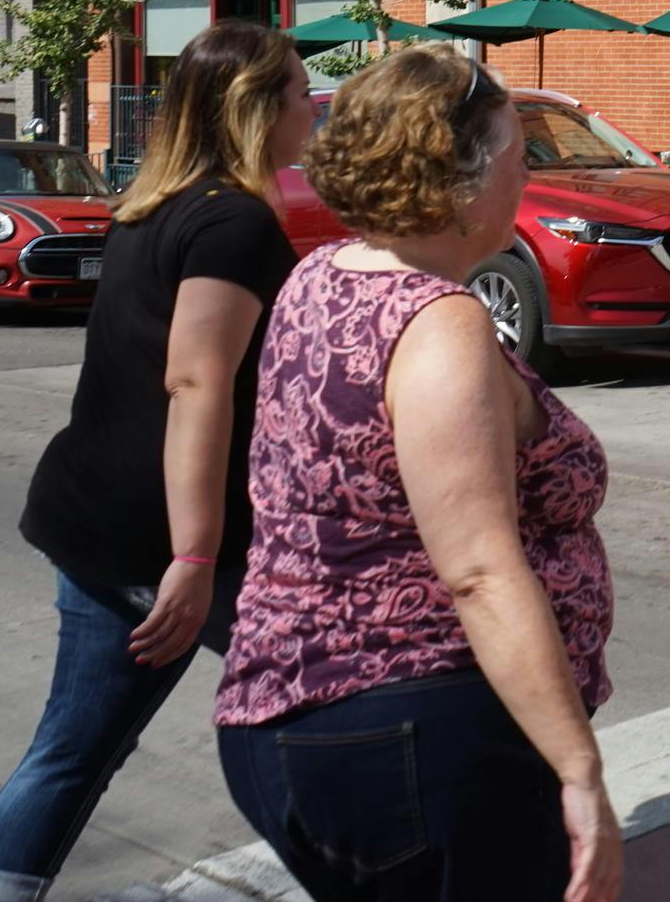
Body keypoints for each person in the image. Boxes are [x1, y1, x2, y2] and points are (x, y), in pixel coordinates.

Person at [214, 51, 621, 902]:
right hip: (409, 730)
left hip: (287, 715)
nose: (526, 174)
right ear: (460, 179)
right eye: (517, 157)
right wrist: (579, 769)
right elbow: (476, 570)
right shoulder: (439, 326)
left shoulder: (315, 277)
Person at [0, 22, 309, 902]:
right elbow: (196, 382)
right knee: (321, 716)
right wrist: (191, 561)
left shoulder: (152, 210)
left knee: (72, 750)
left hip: (97, 518)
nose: (314, 110)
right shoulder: (235, 222)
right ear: (256, 111)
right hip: (170, 545)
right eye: (301, 94)